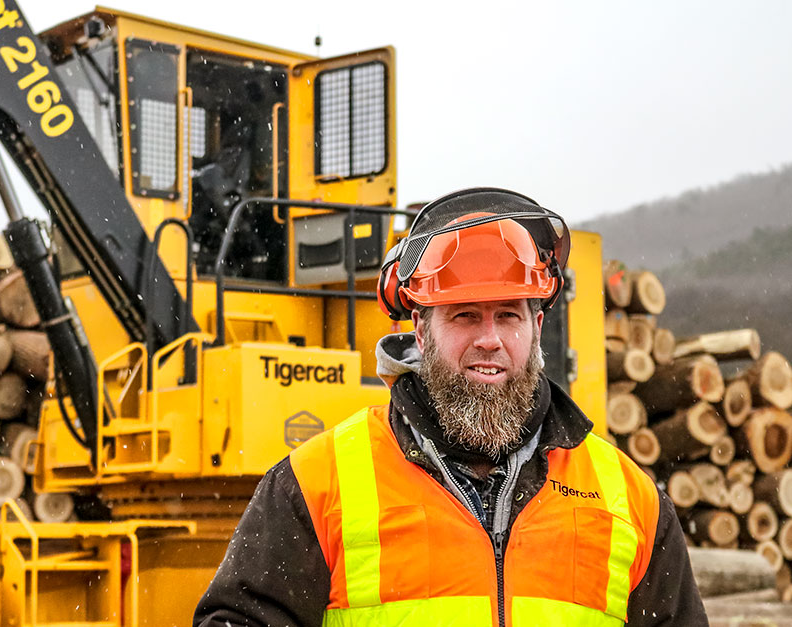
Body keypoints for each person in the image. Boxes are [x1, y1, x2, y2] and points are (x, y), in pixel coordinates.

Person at [194, 188, 707, 626]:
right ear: (421, 330)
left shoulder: (631, 502)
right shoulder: (316, 485)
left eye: (508, 315)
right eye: (464, 315)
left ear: (537, 327)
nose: (490, 339)